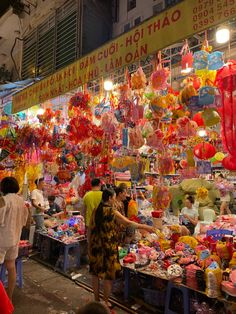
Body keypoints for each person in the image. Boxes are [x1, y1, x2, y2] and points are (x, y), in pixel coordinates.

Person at [88, 189, 154, 307]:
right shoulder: (112, 212)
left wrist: (89, 246)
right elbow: (128, 223)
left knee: (95, 274)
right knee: (108, 276)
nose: (114, 200)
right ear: (109, 198)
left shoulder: (95, 210)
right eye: (113, 197)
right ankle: (105, 302)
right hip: (108, 247)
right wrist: (146, 227)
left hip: (95, 246)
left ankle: (97, 300)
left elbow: (89, 230)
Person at [0, 177, 28, 300]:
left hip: (2, 240)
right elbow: (24, 221)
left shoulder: (3, 200)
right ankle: (9, 298)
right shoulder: (22, 201)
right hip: (15, 239)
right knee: (11, 267)